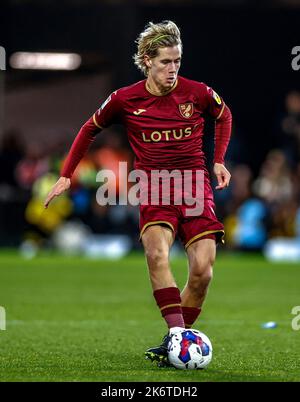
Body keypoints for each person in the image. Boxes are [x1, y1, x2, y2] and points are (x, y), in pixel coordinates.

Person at [44, 20, 232, 367]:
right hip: (154, 186)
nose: (173, 69)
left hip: (194, 184)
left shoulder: (197, 92)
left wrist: (218, 160)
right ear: (147, 61)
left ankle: (175, 339)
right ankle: (178, 338)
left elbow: (224, 115)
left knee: (203, 272)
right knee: (157, 255)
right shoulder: (125, 99)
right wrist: (67, 175)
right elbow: (89, 129)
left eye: (177, 61)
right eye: (165, 62)